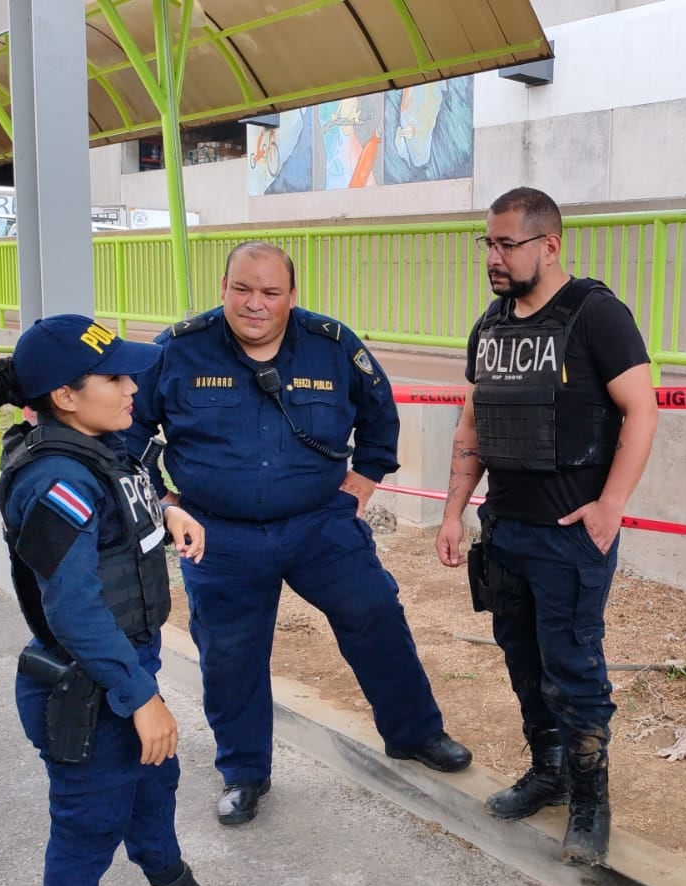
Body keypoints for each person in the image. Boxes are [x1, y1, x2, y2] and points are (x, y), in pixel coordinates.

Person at [125, 240, 471, 828]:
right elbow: (125, 431)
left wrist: (359, 486)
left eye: (269, 292)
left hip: (319, 526)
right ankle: (244, 772)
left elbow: (380, 417)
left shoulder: (332, 346)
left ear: (291, 296)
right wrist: (164, 503)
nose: (254, 304)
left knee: (375, 614)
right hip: (219, 536)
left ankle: (414, 734)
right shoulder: (176, 351)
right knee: (231, 654)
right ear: (223, 288)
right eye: (242, 289)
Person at [0, 314, 243, 886]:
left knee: (154, 785)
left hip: (124, 665)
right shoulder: (56, 481)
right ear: (65, 396)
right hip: (89, 685)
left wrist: (167, 515)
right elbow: (72, 610)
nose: (132, 389)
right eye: (114, 379)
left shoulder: (101, 447)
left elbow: (123, 507)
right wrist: (140, 697)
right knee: (88, 827)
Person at [435, 187, 659, 865]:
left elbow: (642, 411)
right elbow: (473, 423)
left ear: (549, 245)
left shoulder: (597, 316)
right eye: (488, 243)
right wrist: (452, 511)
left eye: (507, 244)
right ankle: (549, 769)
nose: (493, 257)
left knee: (575, 668)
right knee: (523, 660)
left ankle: (591, 799)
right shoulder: (490, 326)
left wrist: (610, 502)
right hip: (504, 529)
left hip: (568, 536)